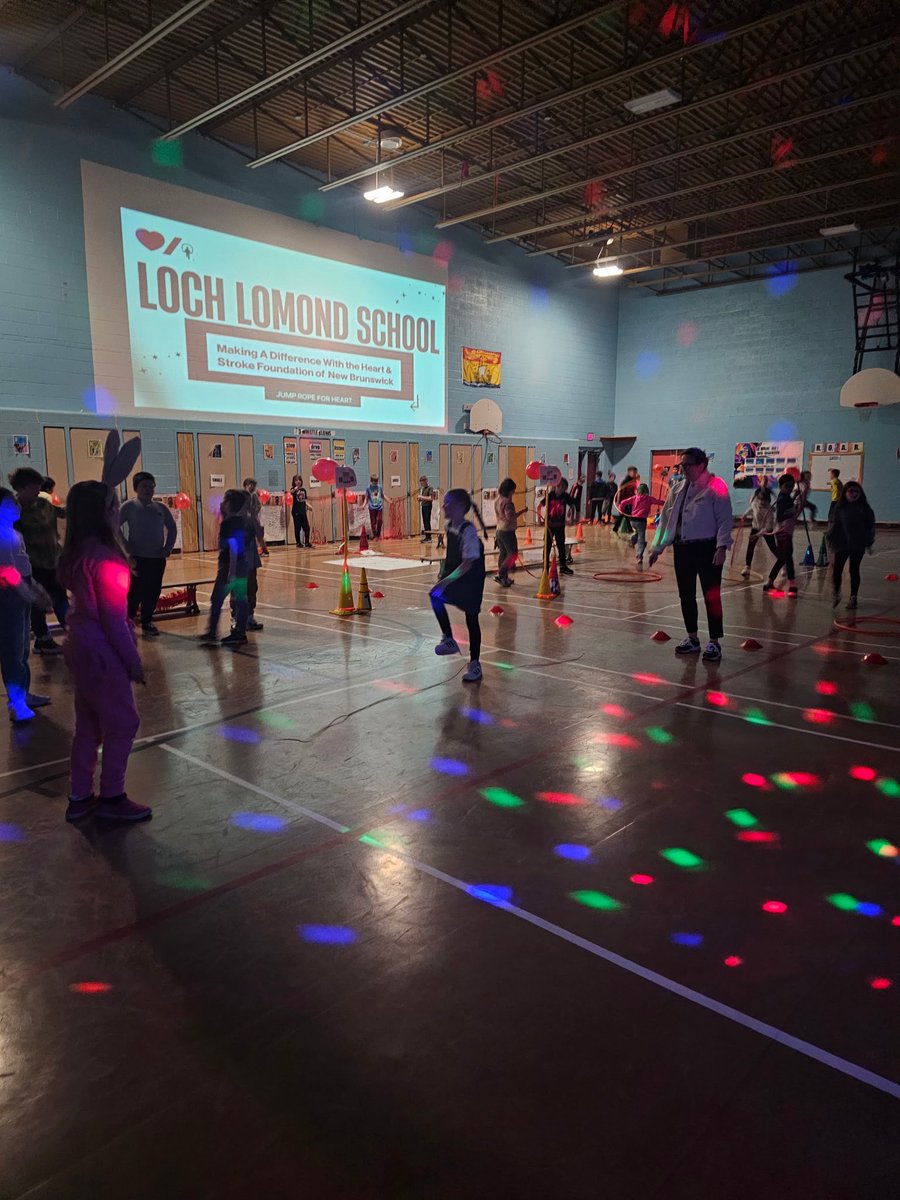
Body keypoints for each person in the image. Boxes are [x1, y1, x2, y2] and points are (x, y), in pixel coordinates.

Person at [58, 480, 150, 823]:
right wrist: (133, 662)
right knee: (124, 722)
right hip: (101, 653)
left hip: (79, 645)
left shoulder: (78, 553)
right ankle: (112, 796)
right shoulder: (106, 560)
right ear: (106, 513)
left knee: (88, 725)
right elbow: (112, 619)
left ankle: (80, 795)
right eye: (114, 506)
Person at [649, 447, 733, 662]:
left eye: (687, 465)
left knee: (711, 596)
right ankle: (692, 638)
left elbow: (725, 519)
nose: (683, 469)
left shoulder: (716, 487)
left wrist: (722, 547)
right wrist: (657, 549)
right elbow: (667, 521)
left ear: (701, 465)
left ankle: (714, 642)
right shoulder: (677, 489)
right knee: (686, 595)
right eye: (682, 465)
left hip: (708, 549)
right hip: (683, 549)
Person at [0, 487, 51, 722]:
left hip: (21, 591)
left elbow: (22, 567)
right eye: (11, 504)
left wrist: (35, 589)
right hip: (10, 595)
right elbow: (8, 572)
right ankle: (16, 702)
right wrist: (32, 594)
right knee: (12, 650)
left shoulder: (13, 533)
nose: (17, 506)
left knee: (21, 648)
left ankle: (22, 694)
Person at [429, 488, 486, 683]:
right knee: (434, 595)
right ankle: (449, 638)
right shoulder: (449, 526)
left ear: (461, 507)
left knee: (472, 618)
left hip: (471, 578)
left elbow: (467, 563)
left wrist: (446, 581)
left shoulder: (468, 531)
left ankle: (475, 663)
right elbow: (452, 557)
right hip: (458, 574)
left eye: (448, 503)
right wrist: (443, 575)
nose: (444, 506)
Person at [9, 466, 67, 654]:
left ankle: (74, 633)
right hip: (32, 564)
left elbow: (63, 513)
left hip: (52, 560)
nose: (38, 491)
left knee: (59, 597)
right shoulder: (13, 510)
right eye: (34, 488)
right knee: (37, 602)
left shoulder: (44, 504)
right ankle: (43, 639)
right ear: (21, 488)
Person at [119, 471, 177, 637]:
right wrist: (126, 547)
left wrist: (168, 548)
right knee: (134, 591)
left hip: (157, 558)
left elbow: (172, 528)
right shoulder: (129, 507)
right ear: (136, 488)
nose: (148, 490)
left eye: (151, 486)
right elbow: (114, 527)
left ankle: (147, 620)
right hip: (137, 558)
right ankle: (127, 621)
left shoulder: (160, 508)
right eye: (144, 486)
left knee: (153, 591)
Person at [200, 490, 252, 647]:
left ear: (229, 504)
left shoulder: (229, 524)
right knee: (241, 599)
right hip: (240, 565)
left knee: (217, 599)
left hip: (231, 566)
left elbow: (234, 548)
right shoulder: (239, 521)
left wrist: (231, 571)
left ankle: (213, 632)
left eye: (224, 500)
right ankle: (239, 632)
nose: (221, 503)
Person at [828, 480, 875, 609]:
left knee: (854, 570)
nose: (854, 494)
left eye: (856, 491)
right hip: (841, 543)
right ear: (845, 493)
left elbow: (870, 526)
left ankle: (853, 597)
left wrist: (869, 542)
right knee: (837, 570)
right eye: (851, 491)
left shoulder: (865, 509)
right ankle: (836, 592)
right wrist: (830, 542)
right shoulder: (839, 508)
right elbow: (833, 525)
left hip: (857, 544)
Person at [763, 473, 801, 597]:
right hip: (783, 533)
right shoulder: (782, 498)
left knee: (782, 559)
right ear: (781, 486)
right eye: (787, 486)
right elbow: (780, 516)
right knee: (787, 558)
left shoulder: (786, 496)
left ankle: (769, 583)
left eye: (792, 486)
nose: (790, 488)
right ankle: (792, 585)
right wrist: (794, 510)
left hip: (786, 531)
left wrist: (795, 497)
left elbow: (790, 506)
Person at [618, 482, 663, 568]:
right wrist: (667, 503)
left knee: (638, 534)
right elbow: (659, 502)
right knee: (641, 539)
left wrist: (621, 510)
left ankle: (633, 539)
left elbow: (623, 502)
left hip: (633, 520)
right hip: (641, 521)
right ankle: (639, 556)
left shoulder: (634, 497)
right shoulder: (649, 498)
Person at [740, 482, 776, 578]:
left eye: (764, 501)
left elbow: (768, 527)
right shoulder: (755, 503)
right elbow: (751, 509)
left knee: (773, 548)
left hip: (765, 531)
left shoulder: (769, 511)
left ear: (768, 501)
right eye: (760, 500)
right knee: (750, 547)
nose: (761, 503)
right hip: (755, 527)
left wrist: (757, 535)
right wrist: (744, 515)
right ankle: (747, 568)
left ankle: (783, 564)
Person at [493, 477, 525, 587]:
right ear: (510, 490)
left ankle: (503, 577)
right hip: (507, 531)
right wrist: (522, 511)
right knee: (513, 553)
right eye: (513, 490)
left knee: (503, 553)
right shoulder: (508, 503)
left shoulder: (498, 500)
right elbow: (510, 517)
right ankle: (501, 573)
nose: (514, 492)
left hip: (499, 530)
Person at [547, 478, 577, 574]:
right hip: (550, 526)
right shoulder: (550, 495)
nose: (561, 489)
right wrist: (540, 519)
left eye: (564, 487)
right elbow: (540, 505)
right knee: (547, 546)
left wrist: (572, 518)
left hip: (560, 525)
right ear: (556, 486)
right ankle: (545, 567)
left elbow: (572, 506)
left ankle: (563, 566)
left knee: (561, 546)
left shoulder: (565, 496)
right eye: (560, 486)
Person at [243, 477, 268, 556]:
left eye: (251, 485)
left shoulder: (253, 495)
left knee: (259, 536)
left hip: (256, 519)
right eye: (247, 485)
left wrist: (254, 514)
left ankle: (265, 551)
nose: (249, 487)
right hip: (250, 519)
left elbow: (258, 506)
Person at [613, 467, 639, 534]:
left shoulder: (633, 481)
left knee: (627, 515)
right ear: (629, 472)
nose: (635, 474)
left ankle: (619, 529)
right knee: (623, 515)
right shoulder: (625, 481)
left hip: (630, 501)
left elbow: (634, 491)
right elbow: (620, 491)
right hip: (624, 501)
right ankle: (616, 529)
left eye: (635, 472)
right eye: (634, 472)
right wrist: (618, 501)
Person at [290, 474, 311, 547]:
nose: (298, 481)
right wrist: (296, 489)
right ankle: (298, 543)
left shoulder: (303, 490)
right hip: (296, 512)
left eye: (299, 480)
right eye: (296, 480)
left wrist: (308, 506)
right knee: (297, 528)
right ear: (294, 482)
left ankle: (307, 542)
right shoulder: (293, 490)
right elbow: (291, 493)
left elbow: (304, 500)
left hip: (303, 511)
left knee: (307, 527)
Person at [366, 474, 384, 540]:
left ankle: (378, 534)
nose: (376, 482)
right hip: (372, 507)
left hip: (379, 506)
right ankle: (375, 535)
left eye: (377, 481)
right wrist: (363, 504)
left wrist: (389, 500)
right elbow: (366, 497)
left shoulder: (380, 487)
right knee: (373, 522)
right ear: (371, 481)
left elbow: (383, 495)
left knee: (380, 520)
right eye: (374, 481)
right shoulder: (368, 488)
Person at [417, 475, 435, 543]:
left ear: (426, 481)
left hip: (428, 506)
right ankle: (426, 537)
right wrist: (420, 499)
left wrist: (422, 497)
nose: (421, 484)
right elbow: (424, 498)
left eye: (422, 482)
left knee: (427, 521)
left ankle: (429, 537)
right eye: (421, 483)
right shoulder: (423, 489)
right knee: (424, 522)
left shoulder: (430, 488)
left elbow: (431, 498)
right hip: (423, 506)